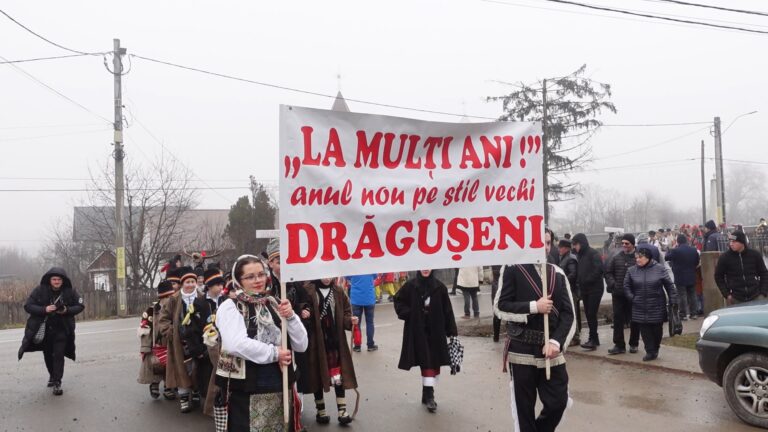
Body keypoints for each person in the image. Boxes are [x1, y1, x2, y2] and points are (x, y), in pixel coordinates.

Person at [215, 255, 308, 431]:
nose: (258, 280)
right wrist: (275, 353)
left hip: (280, 383)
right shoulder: (230, 307)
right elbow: (236, 344)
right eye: (250, 277)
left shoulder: (274, 304)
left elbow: (301, 344)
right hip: (247, 388)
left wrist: (291, 316)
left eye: (261, 274)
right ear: (238, 280)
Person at [495, 260, 575, 432]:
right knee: (524, 409)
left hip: (551, 349)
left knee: (558, 403)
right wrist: (534, 307)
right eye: (541, 242)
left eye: (547, 243)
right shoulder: (512, 268)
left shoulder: (557, 272)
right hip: (522, 349)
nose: (544, 247)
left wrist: (556, 342)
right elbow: (500, 307)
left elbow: (569, 314)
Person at [394, 269, 457, 413]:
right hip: (417, 330)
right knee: (425, 359)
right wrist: (410, 314)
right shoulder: (411, 286)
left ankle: (428, 393)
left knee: (432, 360)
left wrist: (451, 331)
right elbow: (398, 301)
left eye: (428, 266)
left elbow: (447, 310)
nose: (426, 269)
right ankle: (429, 394)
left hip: (436, 330)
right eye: (423, 266)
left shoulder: (439, 287)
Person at [18, 267, 85, 396]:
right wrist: (45, 309)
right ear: (49, 280)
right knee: (48, 355)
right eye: (54, 279)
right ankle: (52, 376)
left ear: (63, 280)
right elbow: (28, 305)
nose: (56, 281)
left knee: (59, 355)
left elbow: (80, 305)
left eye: (59, 279)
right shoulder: (39, 290)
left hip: (62, 329)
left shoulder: (70, 291)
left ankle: (57, 382)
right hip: (45, 330)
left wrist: (66, 310)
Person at [302, 278, 359, 425]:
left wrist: (350, 320)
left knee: (338, 375)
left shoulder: (338, 291)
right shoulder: (307, 290)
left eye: (330, 274)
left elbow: (346, 311)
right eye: (324, 274)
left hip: (335, 342)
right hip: (316, 342)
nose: (327, 278)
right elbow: (301, 309)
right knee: (317, 374)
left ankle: (342, 411)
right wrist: (304, 313)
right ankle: (321, 411)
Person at [157, 266, 203, 413]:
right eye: (187, 282)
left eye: (192, 281)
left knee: (197, 368)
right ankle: (184, 399)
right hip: (180, 341)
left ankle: (196, 392)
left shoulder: (202, 297)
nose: (190, 284)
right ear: (182, 283)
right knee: (181, 369)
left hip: (198, 340)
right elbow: (163, 319)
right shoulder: (174, 299)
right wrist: (171, 332)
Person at [623, 248, 678, 362]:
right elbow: (626, 286)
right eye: (636, 257)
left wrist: (673, 300)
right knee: (644, 330)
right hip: (639, 306)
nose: (637, 260)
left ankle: (655, 348)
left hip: (657, 305)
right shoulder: (631, 270)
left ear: (648, 258)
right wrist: (632, 298)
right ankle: (650, 351)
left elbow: (669, 286)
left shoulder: (659, 269)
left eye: (640, 257)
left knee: (657, 330)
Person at [137, 280, 176, 400]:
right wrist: (145, 347)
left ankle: (168, 387)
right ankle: (154, 383)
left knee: (170, 368)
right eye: (167, 297)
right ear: (162, 297)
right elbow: (145, 328)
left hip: (170, 344)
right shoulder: (151, 310)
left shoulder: (175, 309)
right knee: (155, 367)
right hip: (156, 344)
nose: (169, 300)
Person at [604, 234, 640, 355]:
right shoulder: (616, 257)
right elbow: (608, 272)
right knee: (618, 319)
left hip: (633, 294)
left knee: (634, 319)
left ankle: (634, 343)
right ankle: (619, 344)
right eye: (623, 243)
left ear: (633, 244)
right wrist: (613, 284)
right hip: (618, 293)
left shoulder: (638, 258)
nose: (624, 246)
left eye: (627, 243)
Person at [715, 231, 768, 304]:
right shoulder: (724, 258)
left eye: (734, 242)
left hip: (756, 296)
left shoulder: (755, 255)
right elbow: (718, 276)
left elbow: (764, 273)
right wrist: (727, 295)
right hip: (736, 298)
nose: (731, 244)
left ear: (742, 242)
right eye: (730, 241)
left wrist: (763, 292)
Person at [571, 233, 604, 351]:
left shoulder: (593, 254)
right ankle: (594, 338)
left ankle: (593, 339)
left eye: (576, 244)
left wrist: (585, 280)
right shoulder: (580, 255)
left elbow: (599, 270)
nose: (574, 247)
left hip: (595, 289)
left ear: (582, 243)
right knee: (589, 314)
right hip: (585, 290)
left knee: (591, 314)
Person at [665, 235, 701, 320]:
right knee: (692, 295)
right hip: (691, 275)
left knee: (682, 296)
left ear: (678, 242)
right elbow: (697, 262)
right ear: (686, 241)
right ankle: (694, 313)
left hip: (680, 276)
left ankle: (683, 314)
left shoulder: (675, 250)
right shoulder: (693, 250)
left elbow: (666, 257)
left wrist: (670, 249)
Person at [556, 239, 579, 346]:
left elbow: (573, 274)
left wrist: (562, 281)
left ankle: (575, 337)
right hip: (566, 290)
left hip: (571, 291)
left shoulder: (570, 259)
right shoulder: (564, 258)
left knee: (571, 314)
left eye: (560, 247)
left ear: (566, 248)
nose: (558, 249)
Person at [347, 274, 378, 352]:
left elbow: (347, 277)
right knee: (370, 322)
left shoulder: (353, 267)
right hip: (369, 298)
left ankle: (357, 346)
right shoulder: (370, 267)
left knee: (356, 323)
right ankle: (370, 345)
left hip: (356, 299)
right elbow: (375, 276)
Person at [490, 265, 503, 342]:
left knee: (496, 311)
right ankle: (496, 336)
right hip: (501, 283)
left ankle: (496, 337)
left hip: (496, 284)